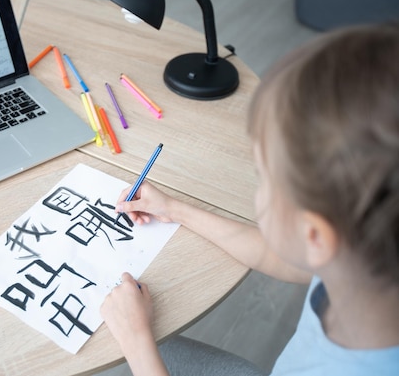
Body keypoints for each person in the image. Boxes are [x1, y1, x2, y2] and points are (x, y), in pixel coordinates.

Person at [100, 22, 399, 376]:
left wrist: (137, 342)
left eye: (263, 181)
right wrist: (174, 209)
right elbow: (281, 256)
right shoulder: (365, 255)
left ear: (315, 235)